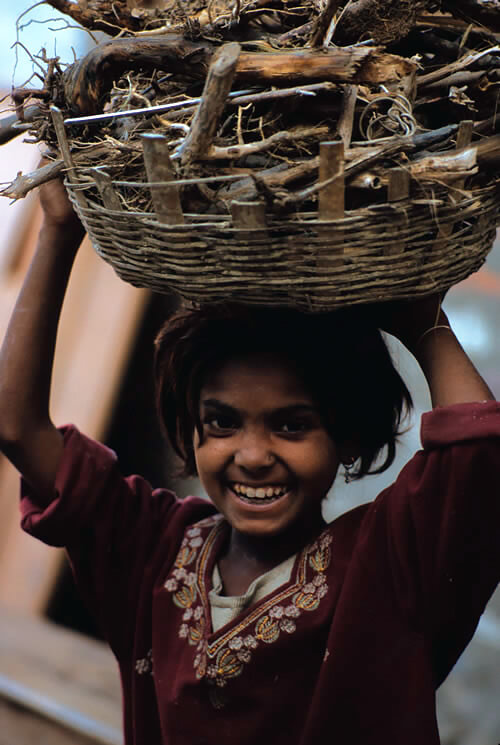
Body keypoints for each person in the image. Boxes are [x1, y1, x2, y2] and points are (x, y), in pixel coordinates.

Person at [0, 174, 499, 745]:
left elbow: (479, 451)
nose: (253, 456)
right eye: (223, 422)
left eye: (292, 425)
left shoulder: (385, 564)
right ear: (191, 432)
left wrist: (420, 319)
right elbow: (18, 429)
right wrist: (59, 233)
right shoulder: (151, 546)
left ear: (351, 438)